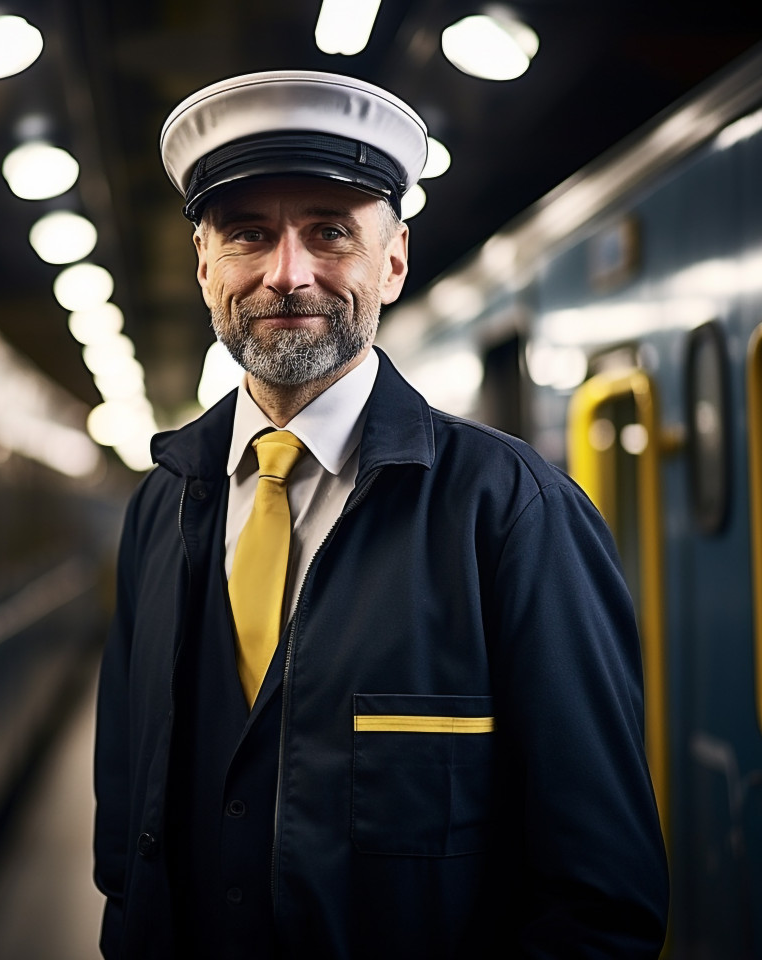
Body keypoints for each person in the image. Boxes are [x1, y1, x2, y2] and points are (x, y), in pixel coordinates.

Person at [93, 70, 669, 959]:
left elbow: (599, 903)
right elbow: (125, 846)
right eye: (249, 235)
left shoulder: (512, 514)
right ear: (204, 265)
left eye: (330, 232)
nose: (288, 274)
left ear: (393, 259)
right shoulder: (162, 506)